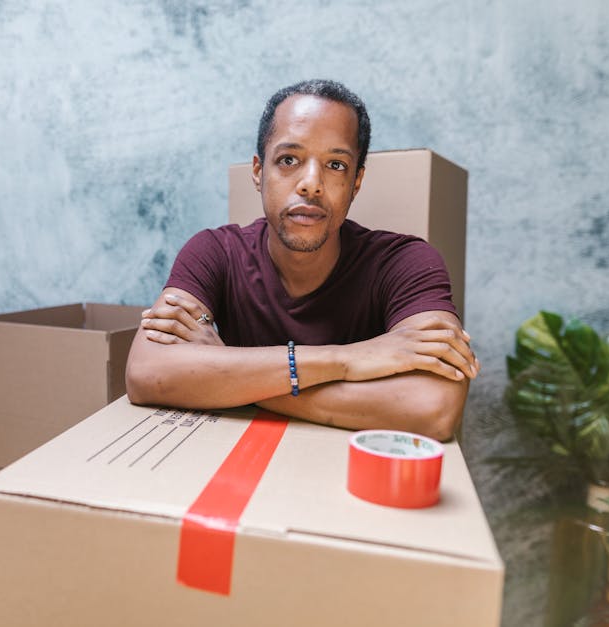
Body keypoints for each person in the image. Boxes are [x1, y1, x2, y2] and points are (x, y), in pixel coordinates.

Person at [125, 79, 479, 441]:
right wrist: (349, 359)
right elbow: (147, 373)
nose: (311, 183)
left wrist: (231, 375)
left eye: (336, 165)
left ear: (356, 182)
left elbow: (433, 409)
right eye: (289, 160)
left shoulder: (406, 263)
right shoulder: (215, 252)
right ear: (259, 171)